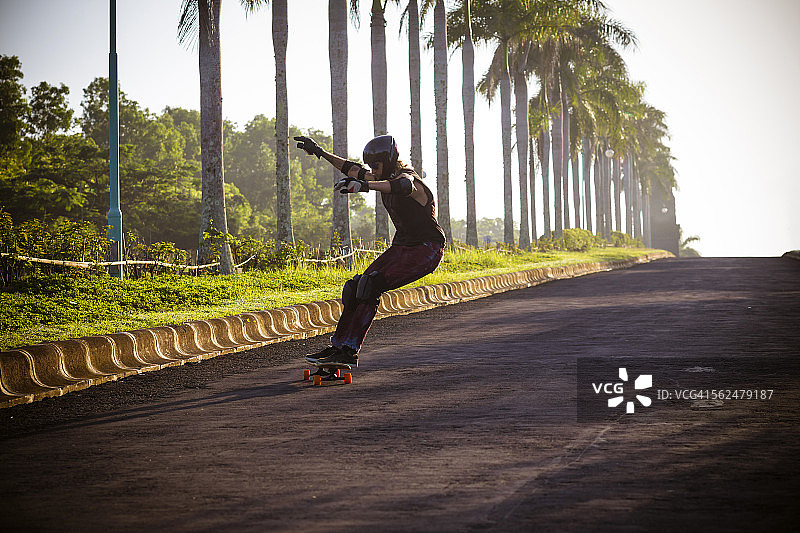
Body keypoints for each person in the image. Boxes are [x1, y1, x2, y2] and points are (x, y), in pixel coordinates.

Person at [293, 134, 446, 366]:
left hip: (427, 249)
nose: (371, 170)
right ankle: (339, 346)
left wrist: (365, 186)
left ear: (388, 160)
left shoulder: (409, 178)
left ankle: (350, 350)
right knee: (356, 287)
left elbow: (402, 186)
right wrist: (320, 152)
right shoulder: (380, 175)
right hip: (402, 246)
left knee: (371, 285)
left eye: (375, 165)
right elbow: (351, 169)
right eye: (370, 166)